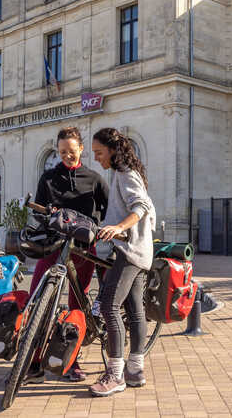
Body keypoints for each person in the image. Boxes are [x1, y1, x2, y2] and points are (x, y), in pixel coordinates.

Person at [26, 126, 108, 383]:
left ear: (81, 149)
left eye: (71, 151)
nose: (67, 156)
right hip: (52, 246)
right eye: (62, 152)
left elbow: (109, 209)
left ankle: (72, 361)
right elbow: (38, 211)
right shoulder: (48, 178)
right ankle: (35, 360)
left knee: (76, 304)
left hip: (82, 250)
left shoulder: (94, 179)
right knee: (37, 299)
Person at [89, 127, 155, 397]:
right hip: (141, 251)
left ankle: (115, 375)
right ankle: (135, 370)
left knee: (108, 306)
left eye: (99, 152)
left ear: (113, 150)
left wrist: (118, 227)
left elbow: (141, 207)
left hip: (129, 251)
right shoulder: (124, 172)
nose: (96, 158)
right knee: (136, 310)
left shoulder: (125, 172)